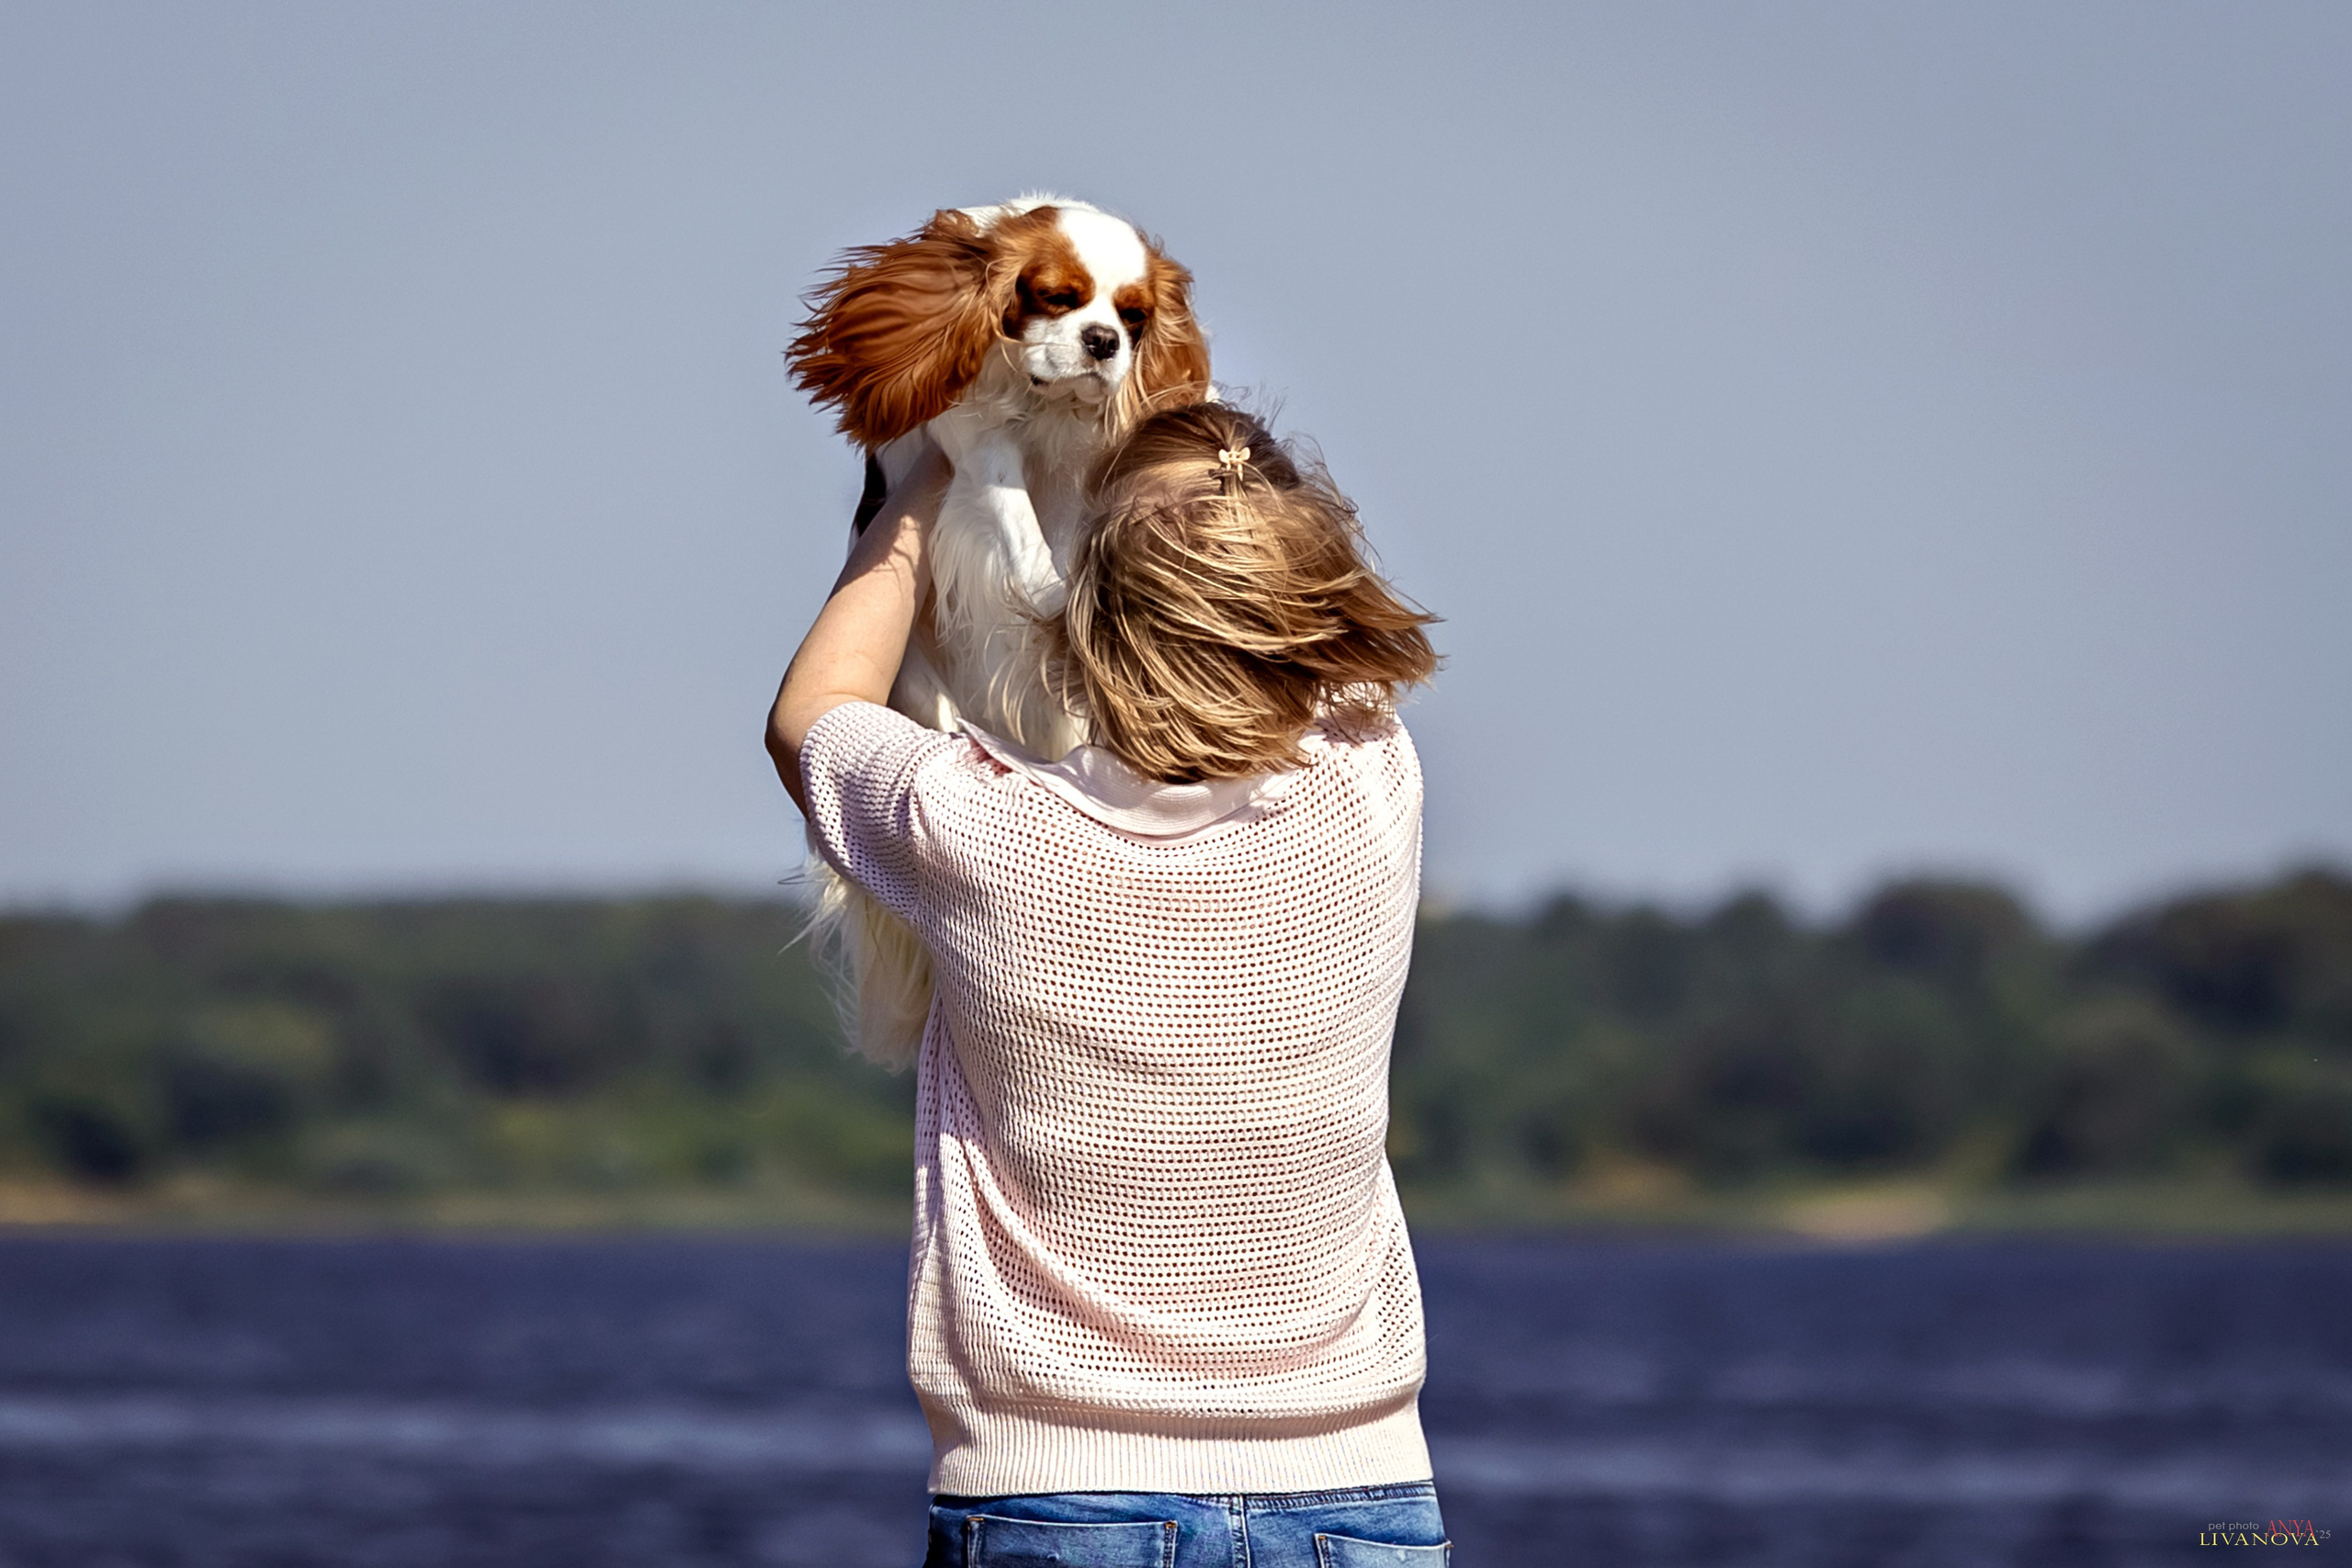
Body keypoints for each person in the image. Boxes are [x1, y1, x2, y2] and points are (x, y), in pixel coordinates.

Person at [766, 401, 1448, 1566]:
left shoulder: (979, 827)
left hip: (1057, 1497)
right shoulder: (1370, 785)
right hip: (1361, 1500)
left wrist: (943, 476)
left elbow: (813, 716)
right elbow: (1287, 612)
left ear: (1084, 615)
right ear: (1299, 596)